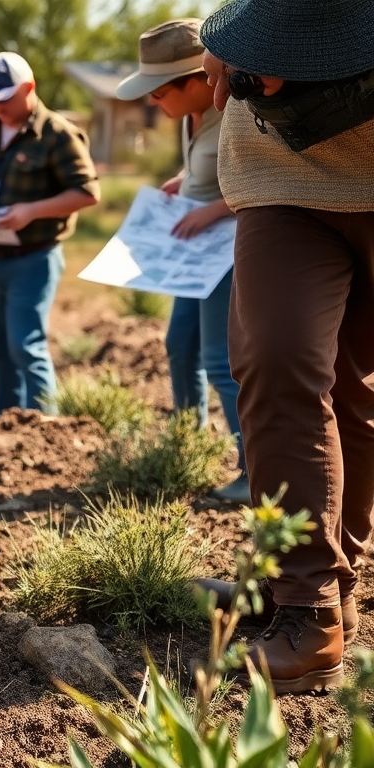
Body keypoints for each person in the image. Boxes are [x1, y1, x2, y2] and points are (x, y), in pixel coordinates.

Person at [193, 0, 374, 694]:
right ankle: (303, 603)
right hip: (280, 183)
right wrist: (228, 35)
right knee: (278, 362)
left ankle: (333, 585)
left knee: (356, 391)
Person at [114, 19, 247, 504]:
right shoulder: (192, 115)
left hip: (225, 253)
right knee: (179, 344)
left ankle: (253, 470)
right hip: (195, 256)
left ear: (198, 81)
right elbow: (207, 165)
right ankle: (187, 443)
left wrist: (212, 208)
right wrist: (181, 180)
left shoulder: (238, 111)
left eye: (160, 90)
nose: (152, 101)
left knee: (219, 359)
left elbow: (267, 182)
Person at [0, 52, 100, 415]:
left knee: (26, 345)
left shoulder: (57, 133)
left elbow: (87, 192)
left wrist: (31, 211)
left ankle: (44, 432)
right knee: (0, 348)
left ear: (29, 88)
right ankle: (6, 424)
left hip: (33, 257)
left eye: (6, 98)